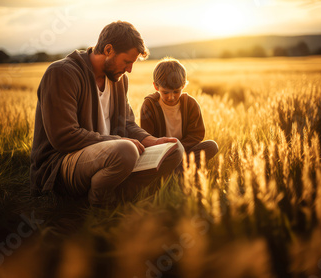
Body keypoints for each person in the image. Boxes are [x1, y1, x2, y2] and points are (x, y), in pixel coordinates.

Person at [30, 21, 184, 206]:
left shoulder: (119, 79)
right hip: (61, 165)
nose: (129, 70)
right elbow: (63, 137)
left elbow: (127, 124)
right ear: (108, 50)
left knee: (175, 149)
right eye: (127, 62)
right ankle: (99, 204)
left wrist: (153, 141)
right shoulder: (62, 73)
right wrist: (116, 142)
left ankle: (119, 197)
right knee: (126, 150)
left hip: (111, 157)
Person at [140, 58, 218, 170]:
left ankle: (175, 171)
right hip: (161, 155)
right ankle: (178, 171)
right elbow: (148, 137)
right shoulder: (149, 105)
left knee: (211, 146)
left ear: (184, 86)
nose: (171, 97)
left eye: (176, 91)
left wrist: (178, 148)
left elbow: (197, 135)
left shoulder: (190, 104)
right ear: (156, 86)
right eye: (165, 92)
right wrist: (167, 151)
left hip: (185, 151)